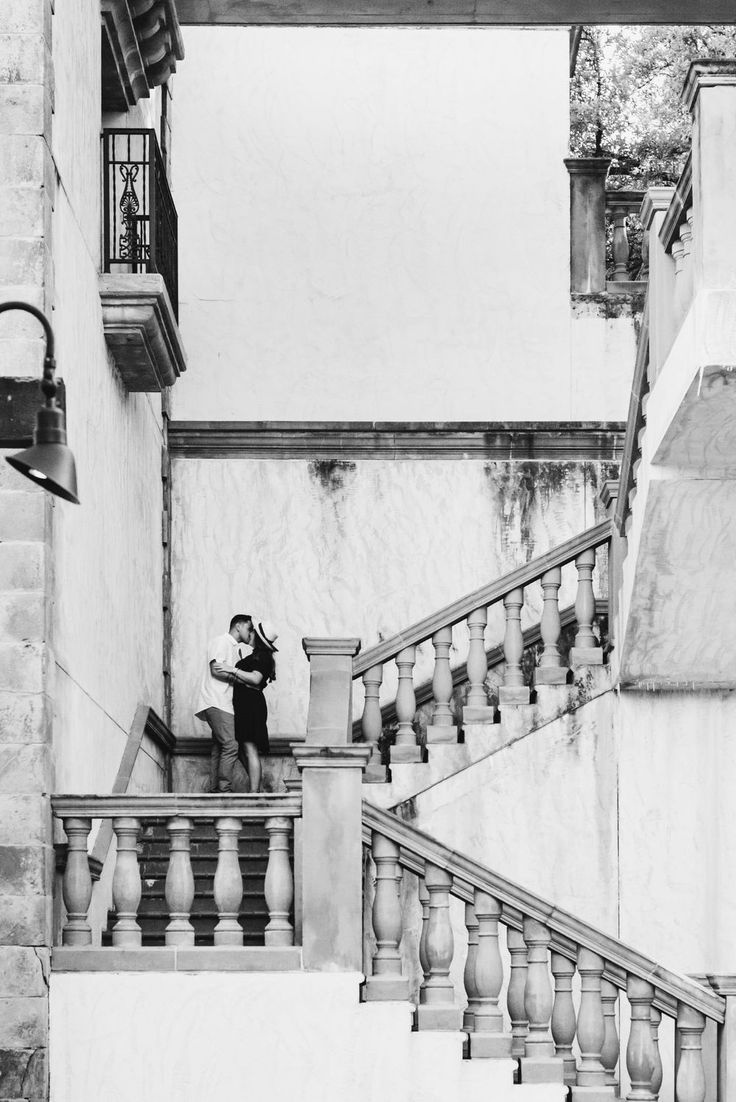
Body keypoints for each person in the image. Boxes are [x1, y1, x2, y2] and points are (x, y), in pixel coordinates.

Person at [194, 613, 254, 792]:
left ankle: (215, 790)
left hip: (222, 702)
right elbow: (216, 670)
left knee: (219, 748)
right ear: (238, 626)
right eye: (249, 628)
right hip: (218, 701)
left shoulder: (232, 647)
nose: (250, 633)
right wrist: (242, 679)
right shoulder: (222, 642)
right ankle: (224, 790)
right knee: (231, 745)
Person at [230, 620, 278, 794]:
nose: (249, 633)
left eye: (252, 631)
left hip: (250, 706)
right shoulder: (258, 656)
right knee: (243, 747)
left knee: (250, 748)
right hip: (246, 704)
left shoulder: (262, 656)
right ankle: (255, 787)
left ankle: (254, 793)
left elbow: (256, 679)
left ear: (256, 636)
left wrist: (233, 671)